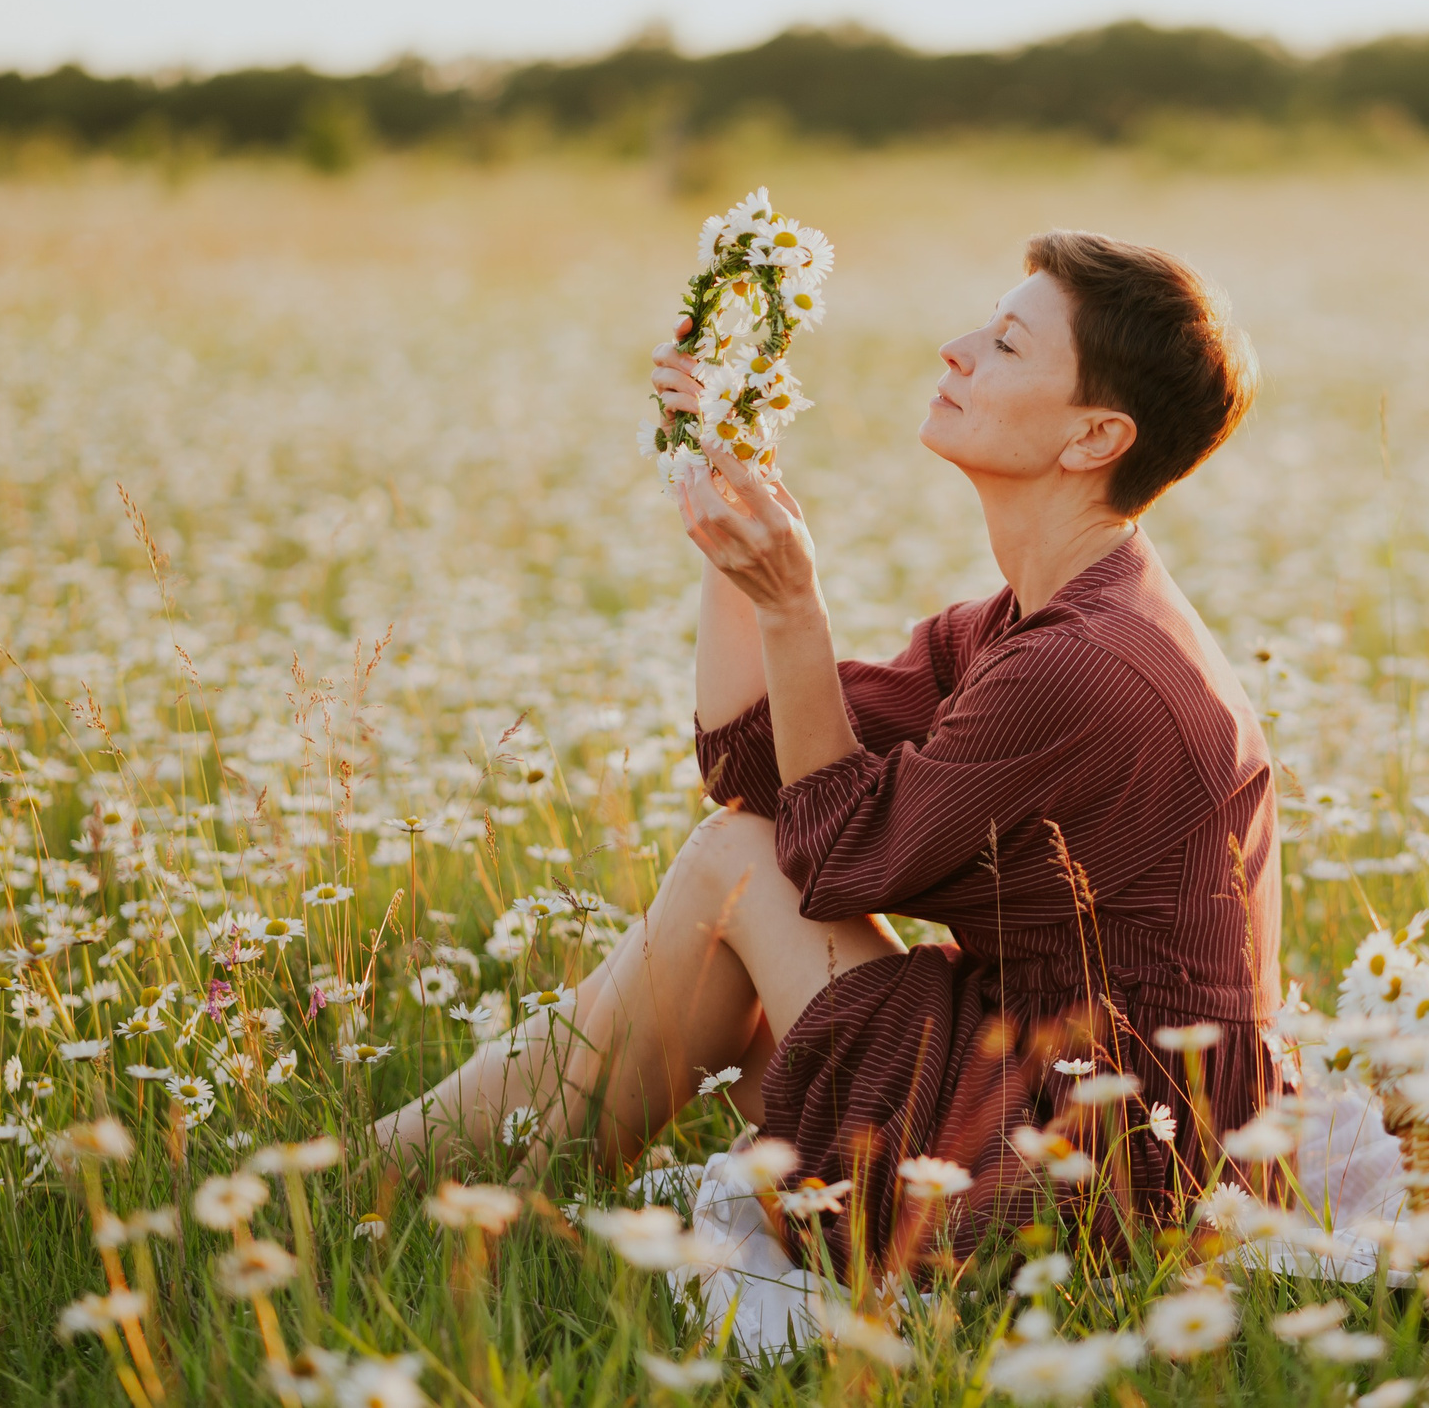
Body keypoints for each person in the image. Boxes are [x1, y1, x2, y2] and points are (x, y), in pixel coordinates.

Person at [375, 229, 1279, 1268]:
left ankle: (487, 1231)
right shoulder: (1031, 618)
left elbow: (832, 855)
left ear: (1092, 439)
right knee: (735, 864)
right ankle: (411, 1174)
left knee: (736, 868)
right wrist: (732, 505)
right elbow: (756, 766)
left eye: (1008, 347)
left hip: (1105, 1167)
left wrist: (794, 608)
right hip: (1036, 1070)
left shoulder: (1083, 664)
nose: (955, 347)